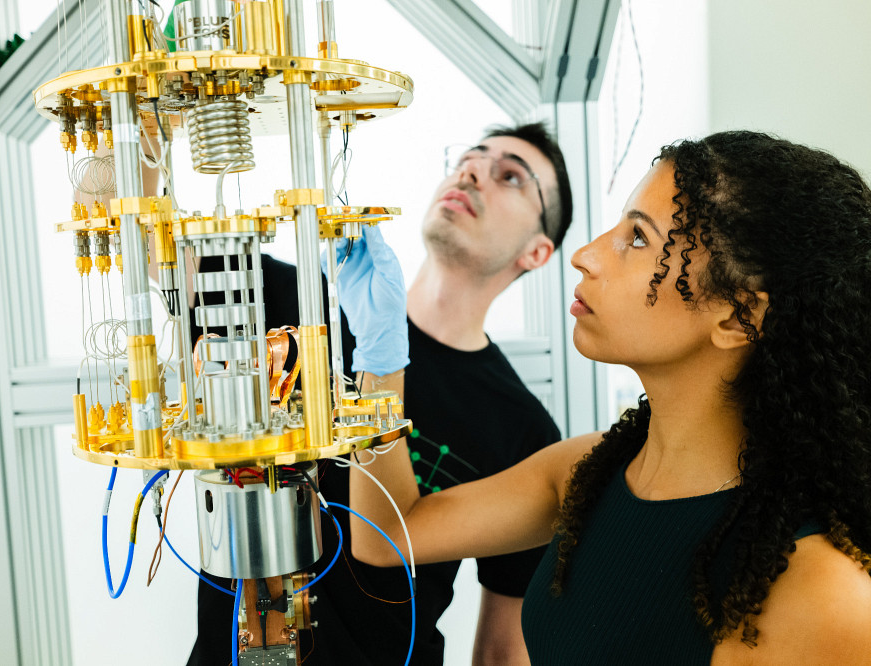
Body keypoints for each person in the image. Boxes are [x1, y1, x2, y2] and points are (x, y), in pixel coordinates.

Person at [344, 130, 871, 664]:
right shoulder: (588, 470)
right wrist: (381, 363)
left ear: (739, 316)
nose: (585, 255)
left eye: (638, 238)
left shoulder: (819, 586)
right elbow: (385, 533)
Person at [187, 122, 574, 665]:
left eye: (510, 176)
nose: (472, 172)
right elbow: (150, 247)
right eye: (469, 158)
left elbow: (502, 651)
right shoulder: (295, 304)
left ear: (537, 251)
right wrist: (148, 132)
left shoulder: (524, 430)